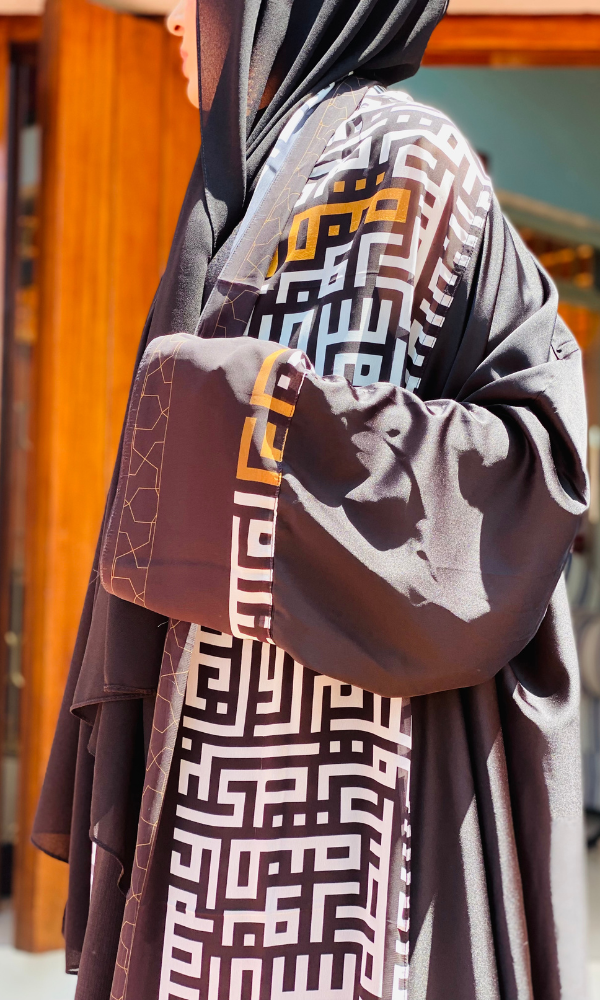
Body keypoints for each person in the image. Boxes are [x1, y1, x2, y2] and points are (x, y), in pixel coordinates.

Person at [32, 1, 588, 998]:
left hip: (345, 794)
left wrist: (248, 427)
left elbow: (527, 467)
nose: (171, 19)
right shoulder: (254, 180)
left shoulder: (404, 162)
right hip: (211, 773)